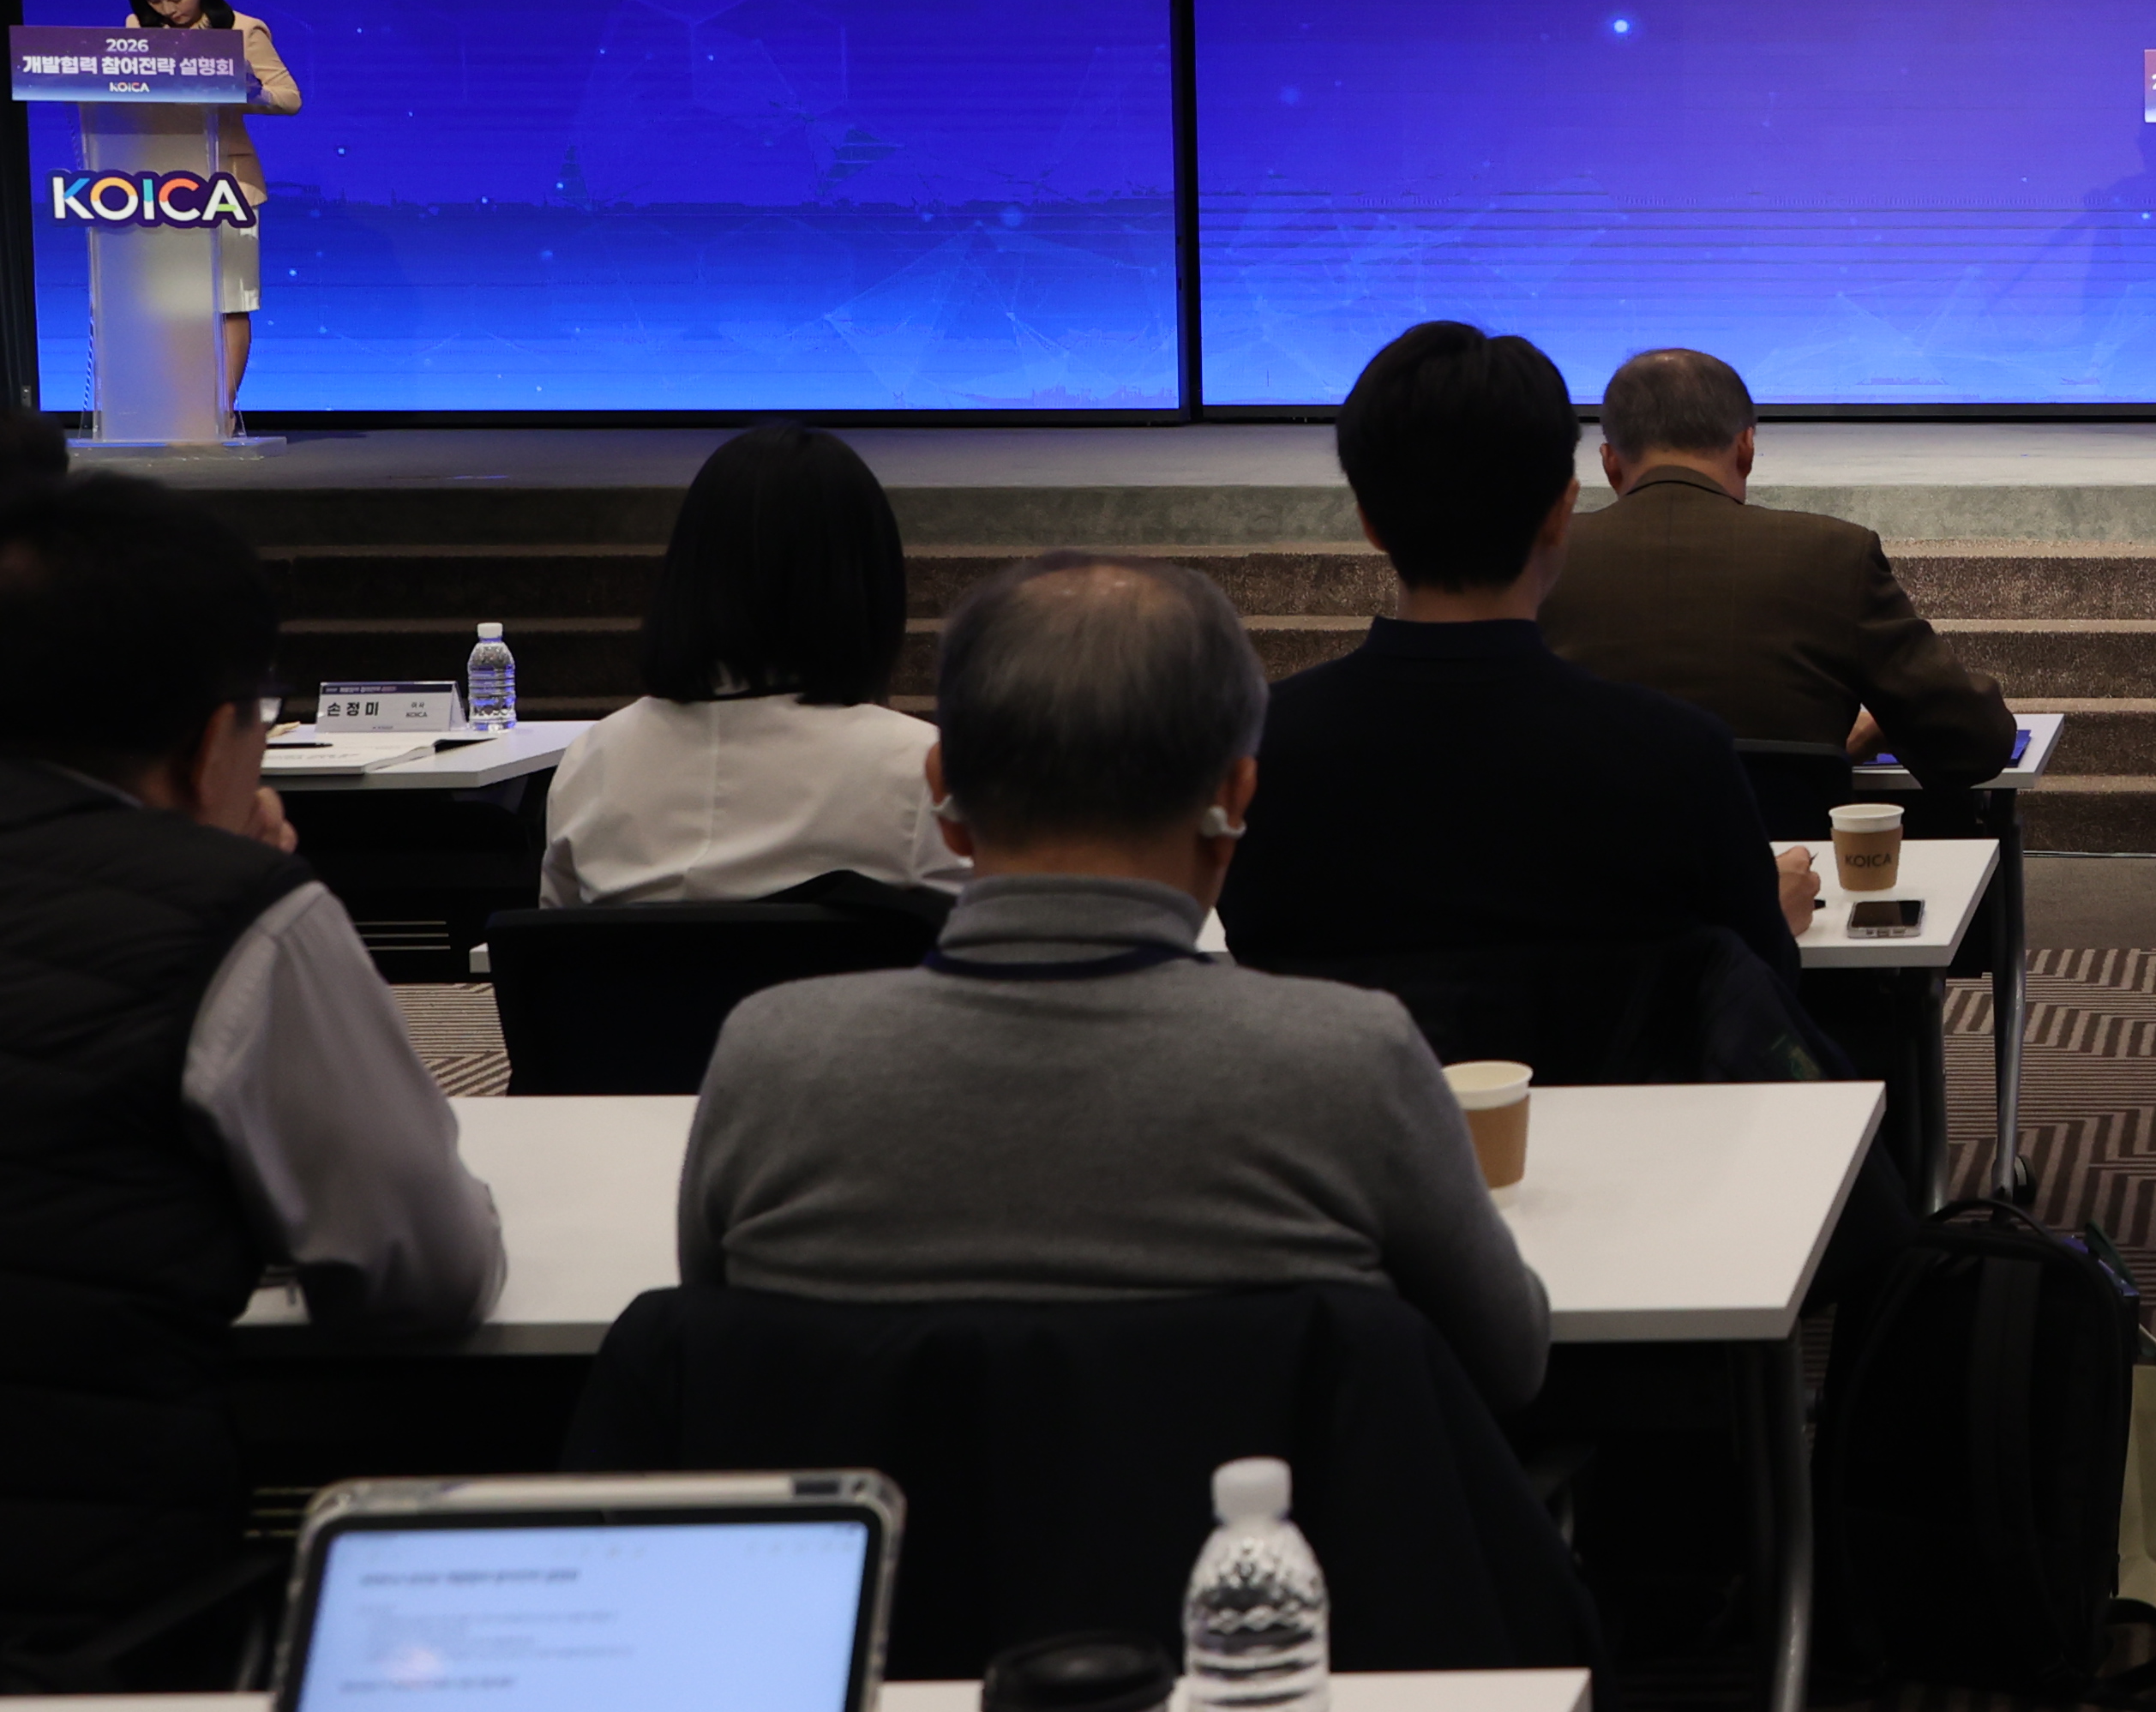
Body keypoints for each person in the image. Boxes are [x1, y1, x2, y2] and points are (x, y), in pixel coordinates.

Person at [681, 552, 1553, 1409]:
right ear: (1235, 800)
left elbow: (716, 1363)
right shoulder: (1351, 1065)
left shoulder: (772, 1064)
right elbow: (1509, 1359)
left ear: (943, 795)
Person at [0, 474, 501, 1668]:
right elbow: (422, 1273)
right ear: (211, 739)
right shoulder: (237, 918)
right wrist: (234, 882)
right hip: (82, 1635)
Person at [1222, 322, 1813, 995]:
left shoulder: (1258, 752)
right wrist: (1765, 916)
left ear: (1369, 522)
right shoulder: (1676, 756)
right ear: (1563, 512)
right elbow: (1751, 994)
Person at [1540, 346, 2017, 792]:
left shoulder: (1541, 558)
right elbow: (1975, 743)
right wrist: (1863, 735)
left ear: (1609, 463)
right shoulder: (1832, 553)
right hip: (1783, 853)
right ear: (1746, 448)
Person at [541, 423, 967, 907]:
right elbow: (990, 935)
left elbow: (548, 944)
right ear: (868, 584)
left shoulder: (593, 762)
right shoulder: (921, 771)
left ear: (688, 571)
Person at [119, 0, 302, 424]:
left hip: (228, 184)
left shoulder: (241, 29)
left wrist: (247, 92)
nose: (167, 10)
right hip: (160, 186)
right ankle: (179, 408)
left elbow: (289, 98)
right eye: (155, 1)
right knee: (173, 305)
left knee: (228, 302)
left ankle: (219, 414)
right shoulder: (138, 30)